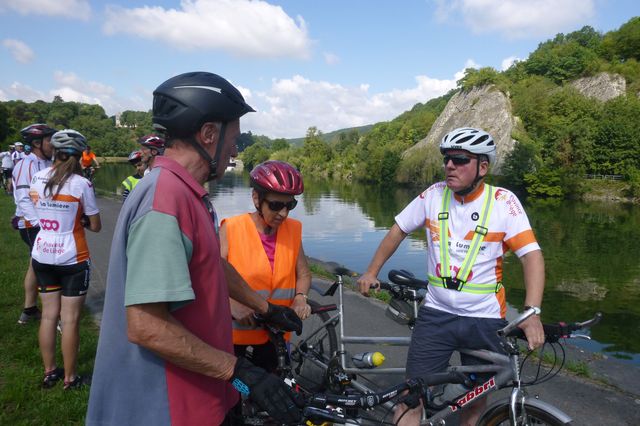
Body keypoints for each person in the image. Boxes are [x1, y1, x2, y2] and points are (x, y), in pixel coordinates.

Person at [87, 72, 304, 426]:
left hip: (200, 396)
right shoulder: (164, 200)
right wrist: (237, 369)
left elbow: (212, 265)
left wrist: (265, 309)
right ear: (208, 135)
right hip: (167, 406)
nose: (235, 150)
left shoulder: (188, 194)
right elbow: (146, 326)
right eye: (233, 139)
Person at [357, 127, 545, 426]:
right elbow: (398, 230)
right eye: (447, 159)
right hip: (437, 315)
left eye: (459, 159)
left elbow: (531, 256)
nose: (449, 166)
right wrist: (371, 271)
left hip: (484, 319)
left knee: (476, 399)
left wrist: (532, 312)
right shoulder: (433, 195)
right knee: (410, 396)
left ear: (483, 167)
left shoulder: (503, 202)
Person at [220, 160, 312, 375]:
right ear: (256, 198)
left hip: (276, 334)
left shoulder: (293, 230)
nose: (284, 214)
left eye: (290, 205)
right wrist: (231, 303)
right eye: (276, 205)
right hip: (236, 333)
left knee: (271, 397)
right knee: (232, 397)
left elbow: (304, 273)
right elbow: (211, 274)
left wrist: (300, 297)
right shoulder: (232, 228)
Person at [29, 129, 102, 389]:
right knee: (69, 320)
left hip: (42, 253)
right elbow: (96, 226)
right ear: (79, 154)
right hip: (73, 256)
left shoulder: (37, 178)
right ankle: (70, 378)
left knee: (49, 315)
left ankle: (50, 372)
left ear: (55, 152)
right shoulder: (82, 184)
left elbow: (36, 212)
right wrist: (79, 218)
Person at [12, 123, 57, 324]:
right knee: (46, 266)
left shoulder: (48, 162)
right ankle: (53, 315)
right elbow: (23, 197)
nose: (53, 145)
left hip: (44, 222)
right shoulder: (26, 165)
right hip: (33, 225)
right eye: (50, 141)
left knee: (35, 264)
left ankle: (29, 310)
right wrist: (40, 224)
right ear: (37, 143)